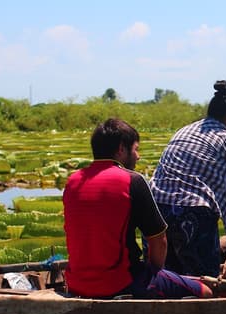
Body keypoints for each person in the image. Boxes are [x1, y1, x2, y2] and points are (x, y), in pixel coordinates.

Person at [62, 118, 212, 299]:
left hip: (76, 283)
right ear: (121, 149)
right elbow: (159, 240)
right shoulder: (132, 181)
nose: (138, 156)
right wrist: (155, 275)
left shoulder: (72, 181)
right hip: (120, 283)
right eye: (136, 149)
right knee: (205, 290)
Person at [150, 80, 226, 277]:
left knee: (166, 278)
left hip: (156, 210)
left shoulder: (185, 131)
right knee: (203, 281)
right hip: (193, 212)